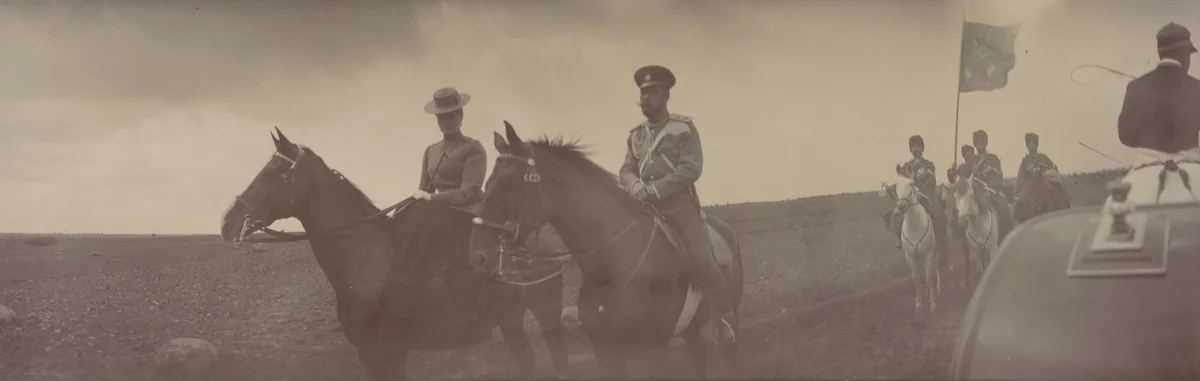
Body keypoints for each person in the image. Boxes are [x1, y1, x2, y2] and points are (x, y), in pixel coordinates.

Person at [618, 65, 736, 344]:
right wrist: (634, 186)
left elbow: (690, 169)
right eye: (643, 93)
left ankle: (724, 318)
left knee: (703, 259)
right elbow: (626, 169)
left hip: (679, 209)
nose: (645, 98)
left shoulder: (683, 129)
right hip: (643, 209)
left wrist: (654, 190)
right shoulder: (635, 135)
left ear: (666, 95)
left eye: (653, 92)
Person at [1117, 22, 1200, 155]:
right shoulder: (1197, 87)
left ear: (1160, 52)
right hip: (1190, 164)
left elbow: (1126, 137)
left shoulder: (1136, 86)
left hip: (1148, 164)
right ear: (1184, 54)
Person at [414, 87, 487, 214]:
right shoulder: (430, 151)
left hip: (469, 214)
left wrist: (431, 198)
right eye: (441, 118)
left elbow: (467, 194)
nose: (446, 122)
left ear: (461, 115)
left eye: (451, 117)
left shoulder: (473, 148)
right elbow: (424, 192)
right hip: (440, 213)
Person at [888, 135, 947, 255]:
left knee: (938, 216)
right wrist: (892, 189)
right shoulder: (905, 166)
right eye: (913, 147)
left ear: (922, 148)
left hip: (925, 198)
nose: (915, 149)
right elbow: (902, 182)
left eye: (918, 146)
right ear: (910, 149)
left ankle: (941, 243)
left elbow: (931, 181)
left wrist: (921, 193)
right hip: (909, 200)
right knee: (894, 215)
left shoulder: (928, 165)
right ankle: (901, 239)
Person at [970, 130, 1014, 242]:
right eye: (977, 142)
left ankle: (1006, 236)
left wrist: (989, 190)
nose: (979, 145)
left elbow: (998, 175)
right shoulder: (971, 160)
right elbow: (964, 175)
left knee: (1005, 210)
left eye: (981, 142)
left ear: (986, 142)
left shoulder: (993, 159)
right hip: (976, 193)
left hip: (992, 192)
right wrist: (952, 173)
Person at [1015, 133, 1071, 210]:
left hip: (1046, 186)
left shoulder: (1044, 158)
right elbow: (1020, 178)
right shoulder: (1025, 161)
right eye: (1029, 144)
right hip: (1031, 187)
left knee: (1059, 200)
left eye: (1033, 143)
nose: (1031, 146)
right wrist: (1018, 191)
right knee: (1021, 205)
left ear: (1037, 145)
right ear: (1026, 146)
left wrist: (1048, 174)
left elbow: (1054, 170)